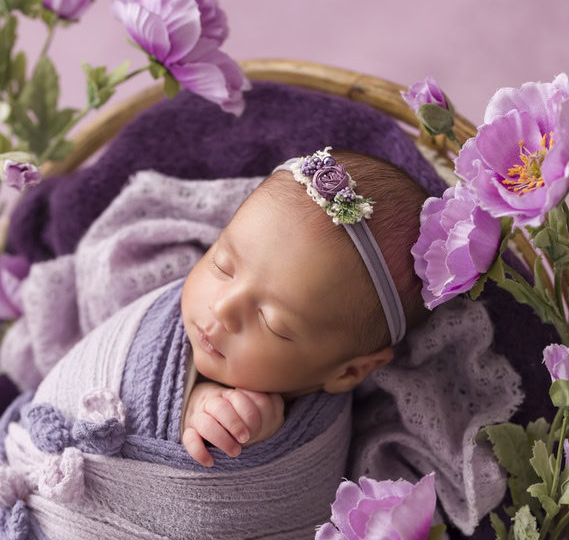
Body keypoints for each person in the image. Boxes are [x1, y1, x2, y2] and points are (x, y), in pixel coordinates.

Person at [180, 147, 433, 466]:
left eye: (272, 322)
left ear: (350, 372)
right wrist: (192, 397)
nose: (223, 307)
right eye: (222, 265)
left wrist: (243, 431)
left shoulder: (305, 438)